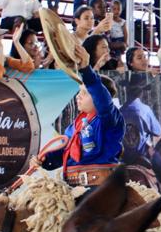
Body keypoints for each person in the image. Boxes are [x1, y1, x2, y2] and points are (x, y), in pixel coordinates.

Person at [37, 42, 125, 182]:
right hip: (73, 185)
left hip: (101, 186)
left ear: (99, 96)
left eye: (85, 93)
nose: (78, 96)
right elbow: (65, 153)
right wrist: (44, 160)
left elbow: (99, 93)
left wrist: (85, 68)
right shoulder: (75, 126)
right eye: (79, 92)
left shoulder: (108, 118)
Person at [121, 74, 161, 188]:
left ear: (128, 90)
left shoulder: (120, 111)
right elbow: (157, 131)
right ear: (141, 92)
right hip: (142, 154)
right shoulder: (145, 110)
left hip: (124, 156)